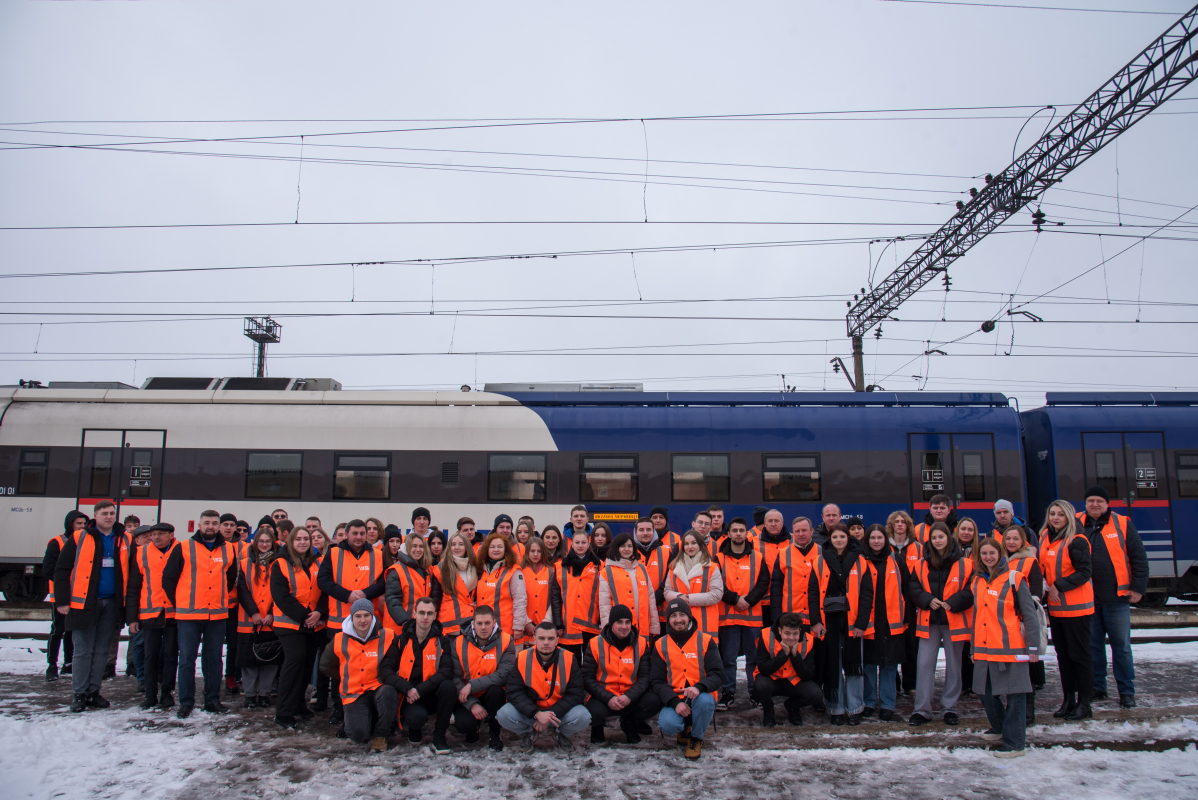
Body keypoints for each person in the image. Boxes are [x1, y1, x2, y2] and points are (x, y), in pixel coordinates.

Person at [54, 501, 132, 712]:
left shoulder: (125, 538)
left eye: (112, 513)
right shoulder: (80, 537)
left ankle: (93, 692)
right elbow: (62, 569)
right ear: (95, 515)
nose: (109, 516)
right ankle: (79, 694)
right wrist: (62, 601)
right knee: (83, 650)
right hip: (84, 603)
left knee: (101, 650)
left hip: (112, 603)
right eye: (104, 513)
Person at [160, 509, 237, 718]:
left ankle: (212, 700)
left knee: (214, 660)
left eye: (214, 523)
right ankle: (186, 702)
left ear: (219, 526)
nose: (210, 526)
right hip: (188, 616)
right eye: (206, 523)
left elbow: (230, 579)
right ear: (199, 525)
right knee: (187, 659)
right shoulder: (183, 547)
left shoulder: (229, 549)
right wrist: (181, 603)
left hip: (217, 615)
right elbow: (168, 579)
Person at [1078, 485, 1149, 708]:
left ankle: (1126, 691)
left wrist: (1138, 588)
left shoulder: (1122, 523)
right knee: (1093, 647)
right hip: (1087, 598)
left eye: (1099, 501)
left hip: (1117, 598)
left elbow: (1138, 557)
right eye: (1091, 501)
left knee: (1121, 648)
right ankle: (1098, 687)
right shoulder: (1076, 522)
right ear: (1085, 503)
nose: (1095, 504)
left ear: (1107, 504)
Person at [972, 538, 1041, 758]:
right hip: (983, 648)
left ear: (1000, 553)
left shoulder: (1014, 578)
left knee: (1015, 695)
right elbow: (977, 616)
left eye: (992, 553)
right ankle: (1000, 727)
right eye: (984, 553)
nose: (988, 557)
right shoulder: (978, 581)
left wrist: (1033, 648)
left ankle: (1015, 743)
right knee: (984, 692)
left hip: (1010, 648)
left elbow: (1029, 615)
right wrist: (973, 647)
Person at [317, 518, 386, 727]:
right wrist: (346, 595)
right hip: (338, 622)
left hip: (368, 624)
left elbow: (384, 582)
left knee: (366, 666)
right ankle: (339, 708)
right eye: (354, 533)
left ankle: (365, 707)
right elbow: (323, 581)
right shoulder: (333, 553)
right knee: (341, 669)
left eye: (362, 533)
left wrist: (365, 594)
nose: (358, 537)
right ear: (346, 534)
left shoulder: (378, 555)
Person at [909, 522, 973, 726]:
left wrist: (953, 602)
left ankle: (950, 708)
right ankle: (922, 710)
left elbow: (972, 589)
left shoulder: (966, 563)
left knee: (954, 665)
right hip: (929, 620)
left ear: (949, 538)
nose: (937, 541)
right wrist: (927, 600)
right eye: (934, 538)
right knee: (924, 664)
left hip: (954, 620)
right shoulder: (920, 563)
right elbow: (913, 587)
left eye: (941, 537)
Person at [810, 524, 873, 725]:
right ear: (829, 539)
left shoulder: (861, 561)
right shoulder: (819, 561)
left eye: (842, 536)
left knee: (854, 666)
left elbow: (867, 594)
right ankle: (835, 708)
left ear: (848, 538)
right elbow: (812, 594)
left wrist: (861, 623)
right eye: (835, 537)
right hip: (829, 620)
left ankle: (855, 708)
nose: (838, 540)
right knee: (833, 665)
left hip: (852, 620)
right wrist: (815, 622)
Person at [1039, 498, 1095, 721]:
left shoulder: (1077, 540)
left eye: (1061, 514)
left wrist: (1058, 585)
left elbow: (1085, 572)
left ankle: (1085, 703)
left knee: (1079, 656)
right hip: (1056, 608)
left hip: (1077, 608)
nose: (1056, 518)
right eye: (1053, 514)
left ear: (1069, 517)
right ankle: (1069, 700)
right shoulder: (1046, 537)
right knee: (1063, 656)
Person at [498, 621, 591, 752]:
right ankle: (529, 733)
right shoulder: (522, 657)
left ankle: (560, 733)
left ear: (557, 640)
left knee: (583, 716)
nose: (546, 643)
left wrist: (550, 716)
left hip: (559, 713)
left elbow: (576, 694)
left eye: (550, 638)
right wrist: (536, 713)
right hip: (531, 713)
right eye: (541, 638)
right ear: (534, 639)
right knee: (503, 714)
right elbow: (514, 692)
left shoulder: (569, 658)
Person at [319, 599, 397, 752]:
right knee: (358, 735)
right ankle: (364, 720)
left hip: (379, 689)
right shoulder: (339, 638)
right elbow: (325, 666)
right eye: (358, 616)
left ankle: (381, 734)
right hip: (354, 693)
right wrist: (344, 676)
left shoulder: (388, 635)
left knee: (389, 693)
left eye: (366, 615)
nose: (363, 620)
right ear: (351, 617)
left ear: (372, 616)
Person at [650, 598, 723, 760]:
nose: (678, 619)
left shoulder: (705, 640)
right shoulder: (660, 644)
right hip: (674, 697)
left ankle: (696, 738)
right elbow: (656, 681)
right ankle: (683, 729)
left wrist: (699, 687)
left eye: (682, 615)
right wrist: (675, 703)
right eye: (673, 615)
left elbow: (718, 674)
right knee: (667, 724)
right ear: (668, 619)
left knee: (705, 702)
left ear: (689, 617)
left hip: (701, 695)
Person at [439, 605, 515, 752]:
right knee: (464, 725)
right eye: (479, 623)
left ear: (494, 623)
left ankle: (495, 733)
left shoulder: (506, 640)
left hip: (491, 694)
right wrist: (472, 704)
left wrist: (472, 685)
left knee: (496, 692)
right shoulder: (459, 642)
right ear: (473, 624)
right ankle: (473, 727)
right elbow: (455, 678)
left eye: (487, 623)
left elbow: (504, 674)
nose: (483, 627)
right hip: (466, 696)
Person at [271, 525, 326, 729]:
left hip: (313, 623)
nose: (303, 542)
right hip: (290, 623)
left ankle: (298, 705)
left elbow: (325, 590)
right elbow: (281, 597)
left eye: (306, 539)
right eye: (298, 539)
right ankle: (283, 712)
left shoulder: (318, 562)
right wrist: (305, 616)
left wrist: (319, 612)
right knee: (294, 663)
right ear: (290, 542)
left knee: (306, 666)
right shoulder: (280, 564)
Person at [582, 604, 661, 744]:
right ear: (611, 624)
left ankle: (630, 723)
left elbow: (645, 676)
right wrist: (608, 698)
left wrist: (630, 696)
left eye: (627, 622)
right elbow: (587, 678)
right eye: (619, 622)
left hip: (630, 696)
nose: (624, 626)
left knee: (654, 701)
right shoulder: (595, 644)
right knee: (594, 712)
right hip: (603, 696)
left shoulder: (641, 643)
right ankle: (597, 727)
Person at [381, 595, 452, 746]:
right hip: (409, 695)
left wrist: (420, 689)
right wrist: (406, 689)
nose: (425, 617)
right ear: (414, 614)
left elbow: (447, 670)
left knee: (448, 687)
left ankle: (439, 734)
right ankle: (414, 728)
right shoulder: (401, 640)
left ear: (435, 616)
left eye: (429, 613)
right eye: (421, 613)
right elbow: (386, 670)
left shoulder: (442, 640)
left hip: (430, 692)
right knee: (416, 718)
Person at [714, 517, 769, 711]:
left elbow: (763, 582)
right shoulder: (719, 558)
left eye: (741, 531)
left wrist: (749, 601)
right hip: (727, 617)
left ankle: (754, 691)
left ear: (747, 533)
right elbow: (716, 584)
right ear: (728, 534)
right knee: (728, 658)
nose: (738, 534)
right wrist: (735, 600)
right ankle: (728, 692)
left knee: (753, 658)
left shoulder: (758, 557)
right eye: (735, 530)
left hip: (752, 618)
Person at [125, 522, 180, 709]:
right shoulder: (141, 553)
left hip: (174, 612)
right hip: (150, 612)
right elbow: (134, 586)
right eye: (153, 534)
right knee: (150, 655)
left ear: (171, 535)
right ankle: (150, 695)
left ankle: (167, 692)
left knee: (170, 655)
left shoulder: (181, 550)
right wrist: (132, 617)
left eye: (161, 534)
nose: (156, 537)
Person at [861, 525, 907, 722]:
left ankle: (888, 705)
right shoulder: (860, 561)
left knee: (889, 664)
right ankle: (869, 702)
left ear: (885, 540)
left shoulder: (897, 560)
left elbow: (907, 587)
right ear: (867, 540)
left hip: (891, 622)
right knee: (869, 665)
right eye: (873, 538)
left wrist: (907, 617)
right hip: (869, 621)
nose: (876, 541)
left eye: (880, 538)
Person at [1004, 524, 1047, 721]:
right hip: (1006, 621)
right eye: (1008, 538)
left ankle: (1028, 711)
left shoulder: (1030, 561)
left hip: (1022, 621)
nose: (1011, 542)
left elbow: (1036, 593)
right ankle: (1014, 708)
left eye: (1015, 539)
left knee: (1027, 665)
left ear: (1023, 541)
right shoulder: (1001, 560)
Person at [235, 526, 281, 709]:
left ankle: (264, 694)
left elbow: (281, 590)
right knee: (248, 661)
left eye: (268, 541)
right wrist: (253, 612)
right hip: (249, 621)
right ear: (255, 543)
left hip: (271, 621)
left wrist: (271, 613)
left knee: (269, 660)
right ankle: (249, 695)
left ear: (273, 543)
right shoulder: (244, 563)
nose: (264, 544)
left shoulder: (279, 564)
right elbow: (242, 589)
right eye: (261, 541)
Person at [752, 612, 821, 726]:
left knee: (816, 694)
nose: (791, 638)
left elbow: (808, 674)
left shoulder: (809, 639)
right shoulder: (765, 635)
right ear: (780, 631)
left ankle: (792, 706)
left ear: (800, 630)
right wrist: (783, 654)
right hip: (771, 679)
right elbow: (763, 669)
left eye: (795, 633)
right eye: (787, 633)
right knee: (760, 686)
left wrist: (795, 655)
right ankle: (768, 710)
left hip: (794, 681)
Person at [44, 509, 87, 681]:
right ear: (70, 524)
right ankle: (51, 666)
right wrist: (65, 582)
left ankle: (68, 663)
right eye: (78, 523)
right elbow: (48, 569)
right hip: (60, 595)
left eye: (84, 524)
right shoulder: (57, 542)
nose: (82, 526)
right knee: (58, 630)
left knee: (72, 630)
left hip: (78, 595)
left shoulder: (85, 542)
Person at [550, 526, 601, 656]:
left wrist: (602, 621)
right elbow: (555, 598)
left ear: (589, 543)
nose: (580, 545)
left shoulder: (599, 566)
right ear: (572, 544)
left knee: (591, 662)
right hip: (568, 625)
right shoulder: (560, 566)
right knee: (570, 663)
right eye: (577, 542)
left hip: (592, 624)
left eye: (583, 542)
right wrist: (558, 624)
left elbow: (604, 596)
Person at [598, 533, 659, 636]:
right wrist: (607, 629)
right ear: (616, 548)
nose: (627, 549)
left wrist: (654, 626)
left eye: (630, 546)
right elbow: (604, 606)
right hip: (619, 632)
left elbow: (651, 600)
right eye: (623, 546)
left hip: (643, 629)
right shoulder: (606, 572)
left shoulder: (643, 569)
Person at [664, 530, 723, 638]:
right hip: (680, 626)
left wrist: (688, 599)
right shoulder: (674, 567)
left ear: (700, 545)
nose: (690, 547)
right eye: (686, 544)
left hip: (705, 626)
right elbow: (667, 591)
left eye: (694, 543)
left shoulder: (712, 567)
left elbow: (716, 595)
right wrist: (679, 596)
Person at [887, 510, 920, 697]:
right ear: (891, 526)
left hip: (911, 603)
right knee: (892, 645)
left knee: (911, 646)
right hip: (890, 604)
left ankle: (910, 684)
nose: (900, 524)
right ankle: (894, 684)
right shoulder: (885, 548)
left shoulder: (918, 548)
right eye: (896, 521)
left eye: (903, 521)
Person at [477, 532, 529, 641]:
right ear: (486, 550)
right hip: (484, 631)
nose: (496, 549)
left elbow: (520, 600)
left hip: (506, 630)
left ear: (506, 550)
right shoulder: (481, 570)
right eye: (492, 547)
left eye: (500, 547)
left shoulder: (513, 570)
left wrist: (518, 626)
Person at [429, 529, 479, 636]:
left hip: (471, 624)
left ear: (467, 547)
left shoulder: (475, 567)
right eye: (453, 544)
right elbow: (435, 598)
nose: (457, 547)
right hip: (449, 626)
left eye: (461, 544)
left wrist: (477, 602)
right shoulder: (441, 568)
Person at [954, 516, 983, 694]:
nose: (966, 532)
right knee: (961, 647)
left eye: (970, 529)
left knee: (974, 645)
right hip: (957, 603)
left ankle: (975, 684)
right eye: (963, 529)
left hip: (977, 603)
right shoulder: (951, 550)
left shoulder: (981, 551)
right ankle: (963, 684)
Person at [384, 533, 432, 634]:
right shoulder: (396, 570)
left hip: (420, 627)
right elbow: (393, 600)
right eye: (414, 546)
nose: (418, 549)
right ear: (407, 547)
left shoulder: (428, 569)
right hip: (400, 629)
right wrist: (406, 623)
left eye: (421, 546)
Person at [521, 537, 553, 643]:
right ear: (527, 552)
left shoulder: (551, 572)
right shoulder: (520, 572)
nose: (535, 554)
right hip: (524, 628)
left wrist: (546, 621)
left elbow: (554, 599)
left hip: (545, 626)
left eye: (539, 551)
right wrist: (527, 623)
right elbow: (516, 601)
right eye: (532, 551)